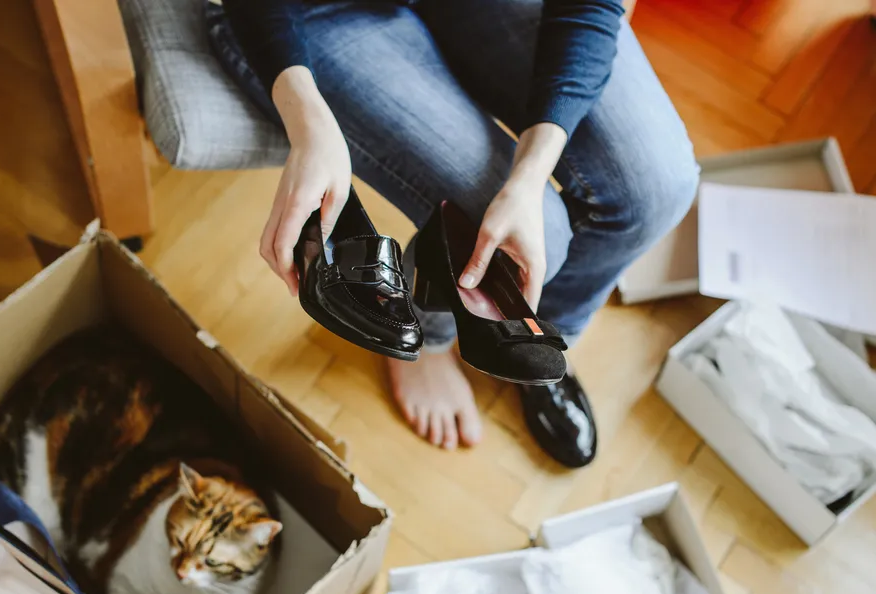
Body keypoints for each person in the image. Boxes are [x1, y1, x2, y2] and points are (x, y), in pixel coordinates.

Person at [211, 0, 699, 467]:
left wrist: (528, 178)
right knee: (531, 229)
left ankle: (537, 327)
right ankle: (432, 337)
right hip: (315, 11)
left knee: (655, 186)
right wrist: (308, 124)